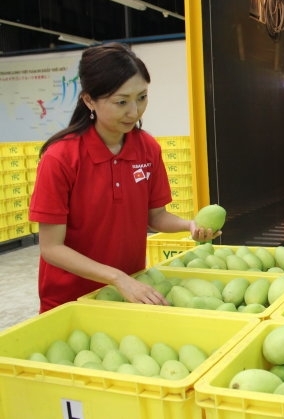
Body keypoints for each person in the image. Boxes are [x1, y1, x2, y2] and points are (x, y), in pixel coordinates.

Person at [29, 42, 220, 313]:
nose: (135, 111)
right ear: (89, 101)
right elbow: (51, 248)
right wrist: (117, 277)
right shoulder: (61, 158)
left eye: (141, 97)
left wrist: (189, 225)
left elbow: (155, 217)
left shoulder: (147, 148)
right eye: (121, 102)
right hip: (69, 301)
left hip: (130, 293)